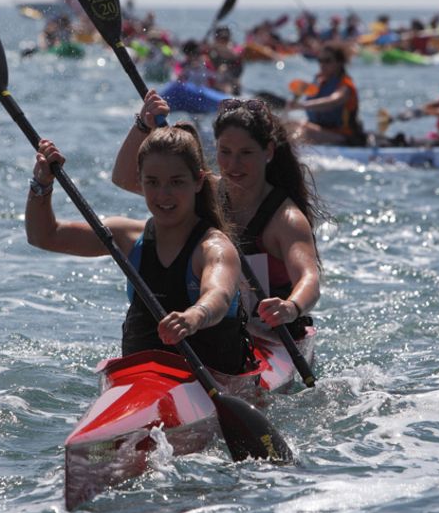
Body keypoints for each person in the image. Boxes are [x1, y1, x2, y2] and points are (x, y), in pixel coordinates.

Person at [26, 127, 254, 375]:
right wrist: (42, 184)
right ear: (140, 180)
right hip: (141, 381)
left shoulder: (215, 248)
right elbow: (44, 237)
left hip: (214, 379)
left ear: (198, 181)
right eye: (152, 182)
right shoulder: (126, 238)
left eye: (176, 182)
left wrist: (195, 316)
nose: (163, 194)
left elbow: (218, 295)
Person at [109, 91, 323, 342]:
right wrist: (142, 125)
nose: (233, 164)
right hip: (214, 328)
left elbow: (310, 278)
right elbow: (123, 178)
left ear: (268, 152)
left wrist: (291, 307)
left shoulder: (285, 219)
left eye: (245, 153)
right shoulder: (205, 189)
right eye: (225, 151)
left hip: (270, 336)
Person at [286, 43, 364, 146]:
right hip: (321, 130)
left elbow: (333, 100)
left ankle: (290, 152)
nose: (322, 64)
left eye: (327, 61)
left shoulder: (345, 85)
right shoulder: (319, 80)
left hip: (344, 137)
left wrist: (301, 106)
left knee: (303, 129)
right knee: (289, 125)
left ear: (339, 62)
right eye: (320, 60)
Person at [206, 26, 244, 95]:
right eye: (221, 39)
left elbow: (235, 55)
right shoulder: (211, 49)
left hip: (231, 80)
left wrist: (219, 47)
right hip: (215, 80)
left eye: (226, 39)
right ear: (216, 39)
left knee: (229, 86)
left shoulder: (236, 47)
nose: (223, 41)